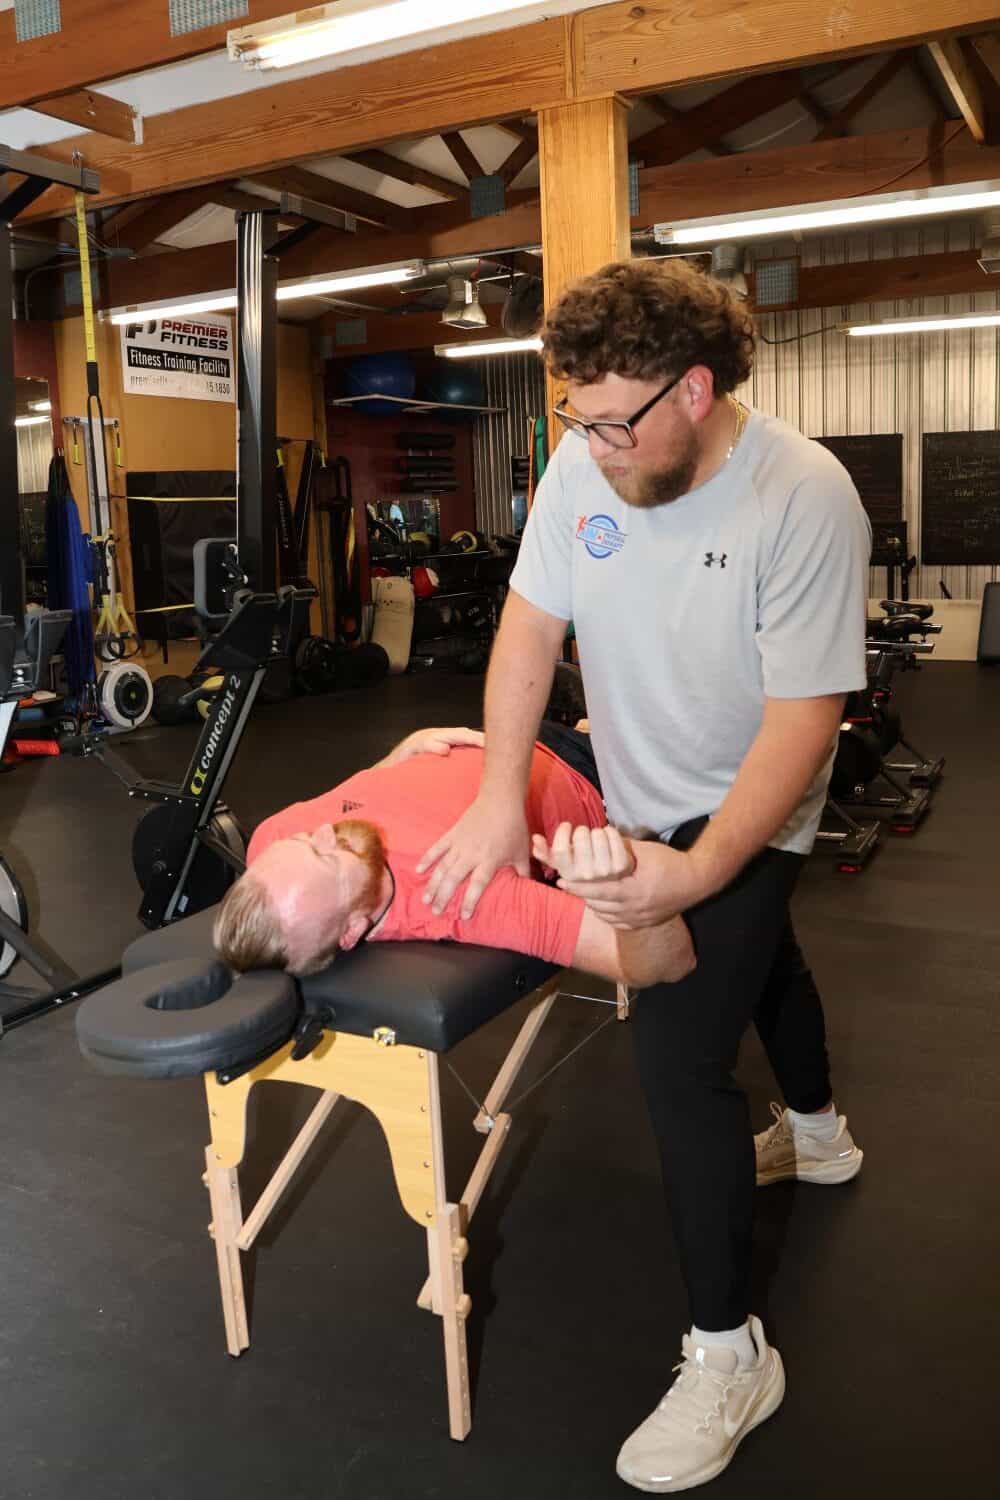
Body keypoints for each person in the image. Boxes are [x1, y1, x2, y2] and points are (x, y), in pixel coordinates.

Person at [416, 258, 870, 1492]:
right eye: (578, 417)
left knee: (678, 1059)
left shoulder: (803, 495)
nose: (594, 447)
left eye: (617, 422)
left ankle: (730, 1352)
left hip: (747, 808)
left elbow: (806, 714)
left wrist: (700, 869)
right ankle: (820, 1137)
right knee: (761, 963)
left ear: (697, 390)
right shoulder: (584, 462)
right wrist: (498, 799)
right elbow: (528, 628)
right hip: (636, 788)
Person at [212, 721, 696, 991]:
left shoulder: (271, 842)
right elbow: (662, 965)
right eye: (328, 855)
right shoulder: (461, 891)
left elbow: (361, 789)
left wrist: (405, 749)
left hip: (509, 733)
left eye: (303, 842)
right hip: (593, 769)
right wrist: (624, 895)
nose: (320, 832)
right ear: (354, 928)